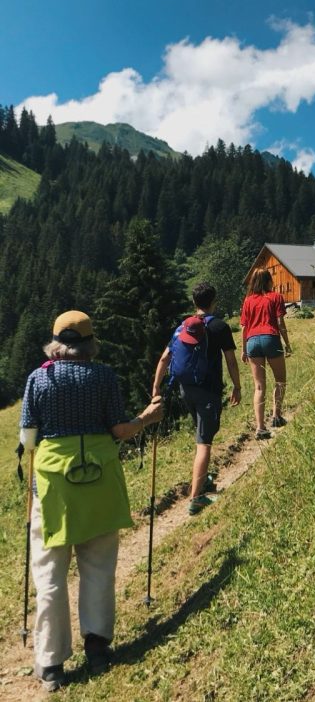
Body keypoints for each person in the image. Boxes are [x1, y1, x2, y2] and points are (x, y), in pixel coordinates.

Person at [19, 310, 163, 692]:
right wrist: (147, 418)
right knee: (98, 566)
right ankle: (97, 646)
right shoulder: (103, 377)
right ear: (89, 341)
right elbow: (119, 429)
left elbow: (28, 441)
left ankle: (51, 663)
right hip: (99, 479)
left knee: (50, 573)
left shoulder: (39, 379)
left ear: (55, 342)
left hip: (54, 488)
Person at [152, 283, 241, 516]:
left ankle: (204, 481)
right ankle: (196, 498)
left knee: (203, 433)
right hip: (208, 391)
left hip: (185, 390)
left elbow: (164, 358)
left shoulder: (183, 327)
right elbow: (231, 361)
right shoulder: (220, 326)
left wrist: (156, 388)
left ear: (194, 302)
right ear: (214, 301)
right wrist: (237, 386)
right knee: (204, 442)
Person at [240, 268, 292, 440]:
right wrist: (287, 344)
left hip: (252, 342)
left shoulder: (248, 301)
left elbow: (245, 328)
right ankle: (277, 416)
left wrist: (243, 349)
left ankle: (260, 428)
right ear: (269, 280)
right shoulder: (276, 297)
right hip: (271, 338)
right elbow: (280, 323)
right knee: (280, 380)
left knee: (259, 386)